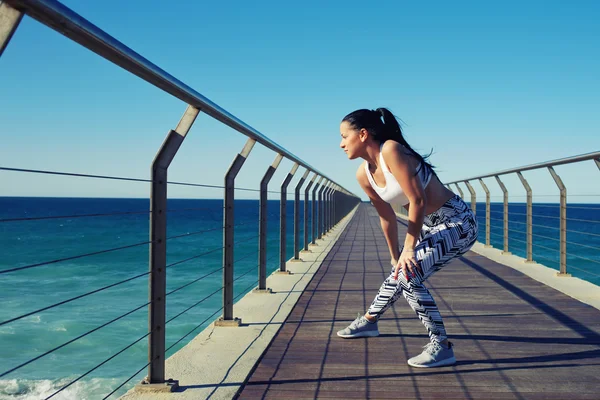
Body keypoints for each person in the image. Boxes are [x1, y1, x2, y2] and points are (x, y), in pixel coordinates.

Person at [336, 108, 478, 368]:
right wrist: (395, 255)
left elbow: (418, 199)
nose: (341, 143)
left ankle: (442, 346)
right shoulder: (362, 174)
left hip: (457, 222)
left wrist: (409, 248)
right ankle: (369, 322)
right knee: (399, 271)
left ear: (363, 134)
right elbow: (387, 218)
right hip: (427, 227)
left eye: (345, 136)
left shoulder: (391, 150)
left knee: (408, 274)